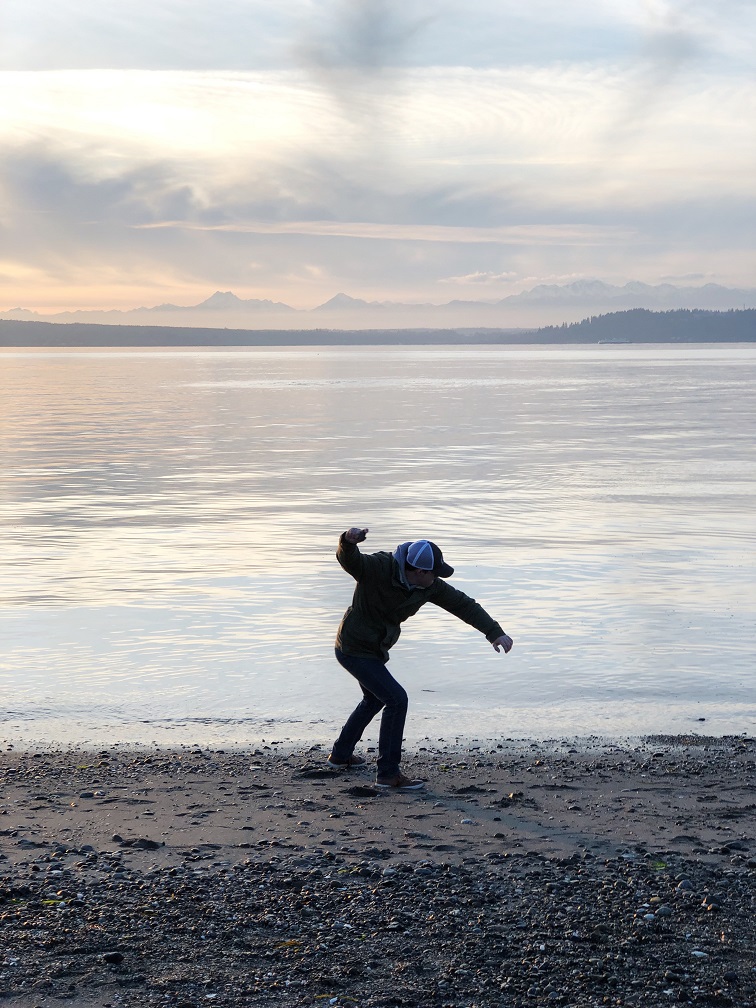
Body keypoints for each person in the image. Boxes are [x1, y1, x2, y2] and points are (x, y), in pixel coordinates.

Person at [327, 527, 513, 791]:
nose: (437, 578)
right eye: (435, 573)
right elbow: (351, 560)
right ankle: (388, 774)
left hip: (375, 650)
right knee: (396, 699)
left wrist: (494, 633)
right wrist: (347, 541)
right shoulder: (380, 567)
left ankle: (340, 755)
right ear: (420, 572)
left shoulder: (428, 586)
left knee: (374, 699)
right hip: (353, 647)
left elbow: (463, 604)